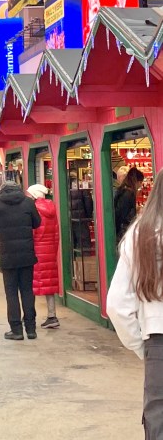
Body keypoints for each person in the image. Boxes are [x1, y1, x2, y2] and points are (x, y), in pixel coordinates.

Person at [106, 176, 163, 435]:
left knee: (159, 416)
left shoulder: (141, 234)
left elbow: (117, 304)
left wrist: (141, 346)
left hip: (158, 339)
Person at [0, 181, 42, 341]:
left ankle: (16, 330)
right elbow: (37, 223)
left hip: (8, 255)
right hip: (26, 254)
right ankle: (31, 329)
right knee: (27, 291)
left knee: (11, 293)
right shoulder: (28, 202)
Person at [27, 184, 60, 329]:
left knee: (30, 284)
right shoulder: (52, 210)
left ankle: (29, 316)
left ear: (34, 195)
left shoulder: (34, 210)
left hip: (36, 251)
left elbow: (32, 232)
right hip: (50, 251)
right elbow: (56, 233)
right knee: (49, 284)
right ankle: (52, 315)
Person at [115, 166, 144, 242]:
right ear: (136, 181)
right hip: (124, 232)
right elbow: (121, 214)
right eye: (140, 182)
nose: (140, 185)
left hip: (122, 231)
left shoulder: (124, 191)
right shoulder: (129, 194)